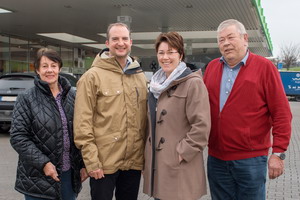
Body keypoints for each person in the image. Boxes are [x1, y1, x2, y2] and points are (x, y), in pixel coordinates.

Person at [203, 19, 292, 200]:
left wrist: (278, 153)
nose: (226, 43)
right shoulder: (212, 68)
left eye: (230, 37)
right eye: (221, 40)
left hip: (250, 161)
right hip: (216, 159)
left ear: (245, 38)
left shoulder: (265, 68)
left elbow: (281, 113)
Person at [73, 22, 148, 200]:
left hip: (133, 163)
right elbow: (82, 124)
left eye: (124, 39)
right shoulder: (92, 77)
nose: (120, 43)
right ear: (107, 43)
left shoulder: (139, 76)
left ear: (130, 42)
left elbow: (145, 120)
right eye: (115, 39)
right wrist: (91, 162)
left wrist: (145, 160)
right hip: (103, 164)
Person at [10, 48, 88, 200]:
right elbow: (18, 137)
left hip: (68, 175)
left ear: (59, 68)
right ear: (37, 70)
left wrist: (83, 164)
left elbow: (82, 131)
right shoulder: (26, 98)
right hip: (37, 177)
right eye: (44, 66)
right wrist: (44, 163)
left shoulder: (74, 95)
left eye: (53, 65)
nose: (49, 70)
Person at [143, 32, 211, 200]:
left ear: (180, 55)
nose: (165, 57)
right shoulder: (155, 86)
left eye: (170, 52)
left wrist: (180, 153)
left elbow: (201, 126)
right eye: (161, 52)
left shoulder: (193, 83)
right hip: (158, 167)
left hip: (179, 167)